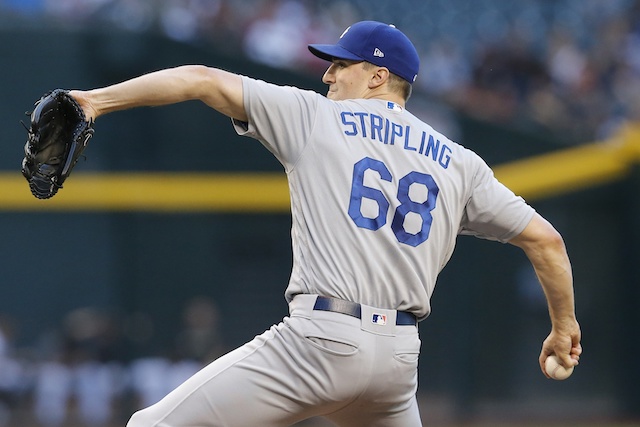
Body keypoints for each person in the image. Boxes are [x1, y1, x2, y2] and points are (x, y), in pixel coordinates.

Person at [69, 20, 582, 427]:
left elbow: (201, 79)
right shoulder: (458, 161)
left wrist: (92, 101)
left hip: (321, 341)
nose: (328, 75)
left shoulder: (316, 117)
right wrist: (563, 328)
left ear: (378, 76)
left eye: (340, 64)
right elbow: (547, 241)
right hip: (398, 364)